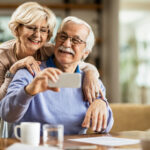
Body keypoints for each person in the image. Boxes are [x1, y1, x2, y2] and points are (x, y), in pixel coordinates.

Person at [0, 2, 103, 137]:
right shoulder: (4, 58)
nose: (37, 35)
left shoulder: (49, 49)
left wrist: (94, 83)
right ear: (17, 29)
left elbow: (78, 64)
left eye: (43, 30)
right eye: (31, 27)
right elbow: (4, 108)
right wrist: (13, 71)